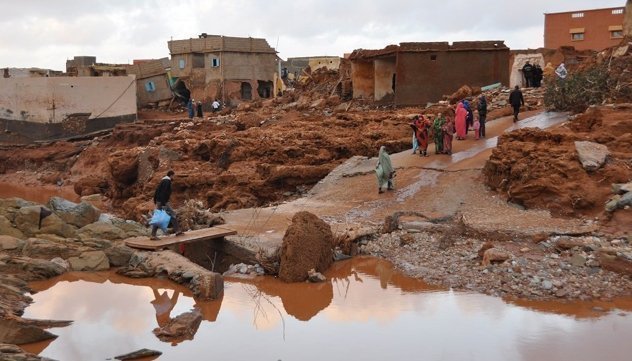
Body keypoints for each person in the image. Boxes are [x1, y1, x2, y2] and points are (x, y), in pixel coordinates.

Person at [151, 170, 183, 240]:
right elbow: (164, 192)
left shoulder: (162, 181)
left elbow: (157, 191)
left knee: (158, 217)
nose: (173, 177)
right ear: (171, 175)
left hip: (159, 201)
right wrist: (163, 203)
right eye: (173, 176)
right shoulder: (167, 181)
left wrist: (155, 200)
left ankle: (153, 235)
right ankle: (177, 231)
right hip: (163, 202)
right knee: (172, 214)